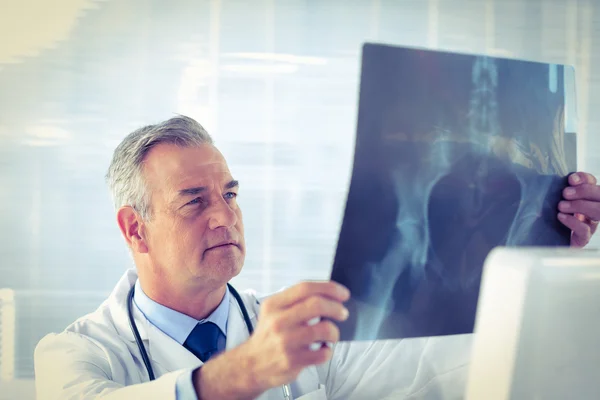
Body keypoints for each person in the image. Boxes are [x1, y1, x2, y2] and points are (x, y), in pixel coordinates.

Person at [34, 115, 600, 400]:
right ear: (136, 228)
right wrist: (246, 370)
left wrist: (542, 255)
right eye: (194, 201)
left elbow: (442, 362)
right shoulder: (75, 353)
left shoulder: (298, 329)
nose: (224, 216)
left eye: (230, 194)